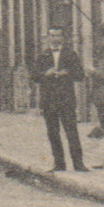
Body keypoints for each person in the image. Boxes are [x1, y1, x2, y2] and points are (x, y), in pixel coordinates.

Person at [29, 27, 88, 172]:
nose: (55, 39)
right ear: (48, 37)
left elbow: (80, 75)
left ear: (63, 38)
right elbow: (34, 76)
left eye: (58, 36)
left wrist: (66, 73)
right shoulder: (43, 55)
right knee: (53, 133)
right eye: (52, 35)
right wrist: (45, 74)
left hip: (66, 99)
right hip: (49, 100)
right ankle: (59, 164)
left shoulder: (71, 54)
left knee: (71, 131)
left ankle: (78, 164)